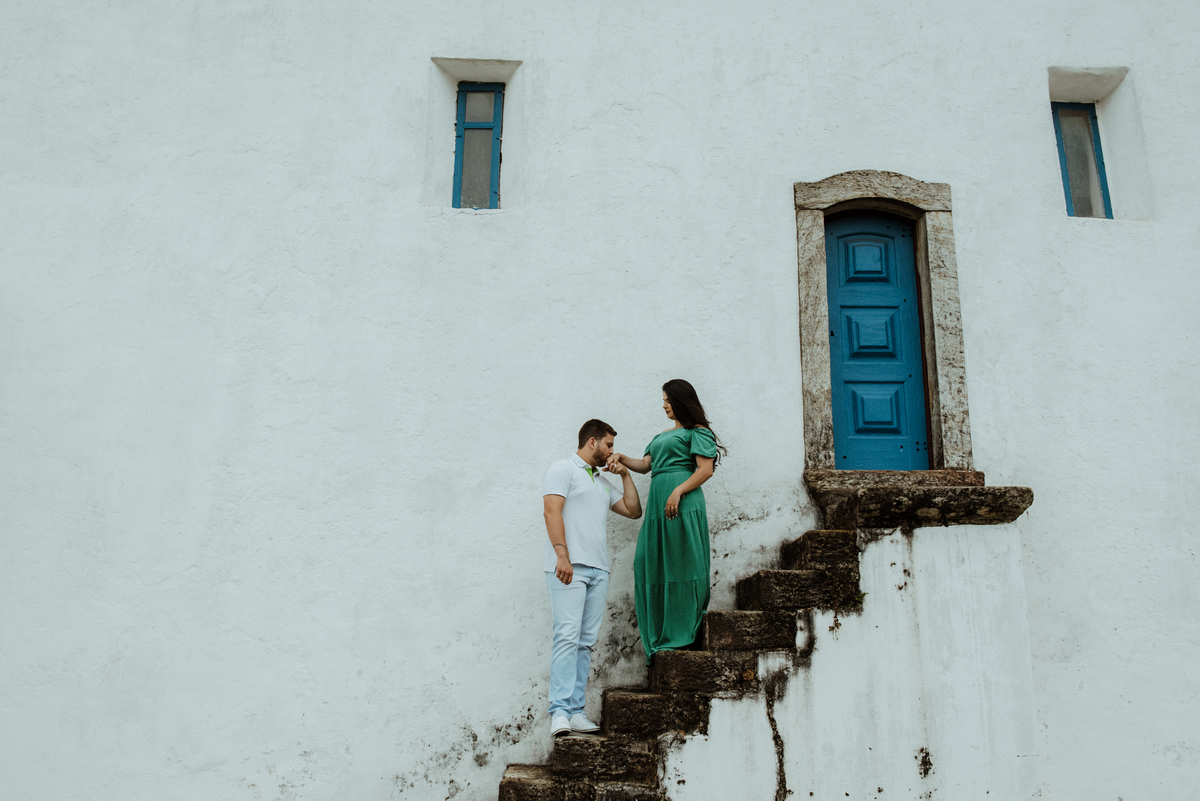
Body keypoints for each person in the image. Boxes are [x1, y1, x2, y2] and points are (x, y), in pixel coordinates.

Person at [610, 380, 725, 664]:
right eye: (663, 400)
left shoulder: (697, 432)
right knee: (650, 563)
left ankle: (682, 632)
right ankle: (662, 633)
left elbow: (705, 469)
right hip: (658, 508)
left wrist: (679, 490)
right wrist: (622, 458)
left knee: (683, 564)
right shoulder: (662, 435)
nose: (663, 405)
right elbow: (646, 465)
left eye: (667, 400)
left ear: (680, 400)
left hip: (682, 503)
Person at [542, 419, 642, 737]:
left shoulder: (600, 481)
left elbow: (633, 509)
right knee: (567, 637)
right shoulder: (563, 469)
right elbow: (551, 511)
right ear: (593, 442)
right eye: (609, 445)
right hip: (569, 567)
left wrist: (625, 473)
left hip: (599, 570)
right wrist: (562, 555)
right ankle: (558, 711)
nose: (613, 451)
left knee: (584, 643)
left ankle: (574, 711)